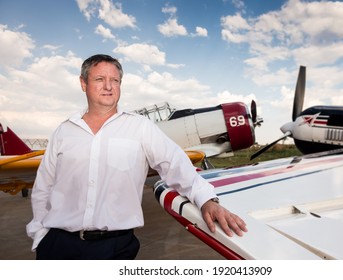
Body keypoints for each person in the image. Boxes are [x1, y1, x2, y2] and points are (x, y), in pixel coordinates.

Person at [26, 54, 247, 260]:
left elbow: (175, 164)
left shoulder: (140, 127)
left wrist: (208, 200)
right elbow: (43, 186)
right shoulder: (64, 131)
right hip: (58, 245)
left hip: (115, 247)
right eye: (100, 79)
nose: (108, 86)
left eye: (115, 80)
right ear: (83, 84)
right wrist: (40, 235)